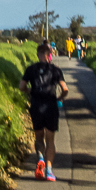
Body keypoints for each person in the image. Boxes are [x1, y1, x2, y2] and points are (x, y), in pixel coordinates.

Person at [19, 42, 69, 181]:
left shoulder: (30, 69)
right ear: (49, 55)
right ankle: (49, 170)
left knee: (39, 137)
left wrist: (29, 91)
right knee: (50, 139)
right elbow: (65, 89)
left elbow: (21, 86)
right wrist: (60, 98)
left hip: (36, 105)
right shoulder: (55, 70)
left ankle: (40, 158)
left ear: (38, 55)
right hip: (51, 106)